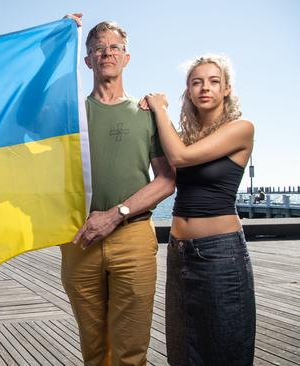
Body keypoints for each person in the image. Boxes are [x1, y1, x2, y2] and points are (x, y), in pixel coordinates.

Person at [61, 14, 176, 366]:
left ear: (126, 57)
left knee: (131, 351)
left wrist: (116, 214)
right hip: (80, 238)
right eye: (98, 48)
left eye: (115, 47)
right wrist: (55, 40)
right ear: (87, 60)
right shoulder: (70, 115)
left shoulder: (147, 113)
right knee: (94, 350)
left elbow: (167, 180)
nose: (106, 53)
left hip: (133, 237)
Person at [142, 55, 256, 365]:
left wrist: (160, 108)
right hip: (180, 252)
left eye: (213, 81)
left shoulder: (241, 128)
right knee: (183, 348)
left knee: (225, 348)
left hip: (220, 254)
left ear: (227, 89)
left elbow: (179, 157)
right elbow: (167, 173)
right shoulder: (186, 136)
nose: (205, 87)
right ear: (189, 92)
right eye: (196, 82)